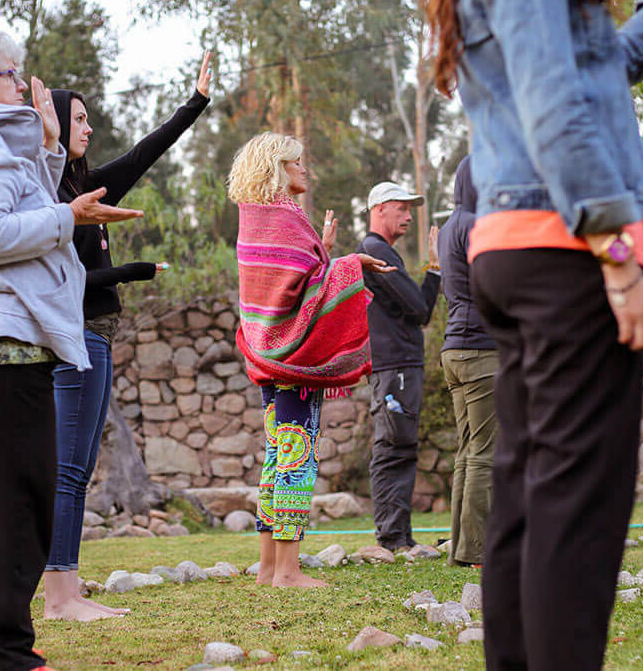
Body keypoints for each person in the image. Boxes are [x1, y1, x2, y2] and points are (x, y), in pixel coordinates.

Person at [422, 0, 643, 668]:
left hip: (520, 249)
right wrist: (619, 264)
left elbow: (586, 69)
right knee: (574, 515)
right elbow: (555, 104)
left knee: (530, 501)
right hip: (568, 254)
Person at [0, 23, 139, 670]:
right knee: (20, 494)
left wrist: (47, 154)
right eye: (11, 74)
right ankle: (5, 649)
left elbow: (15, 206)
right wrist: (70, 217)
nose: (22, 83)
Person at [41, 52, 212, 622]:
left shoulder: (91, 185)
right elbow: (61, 281)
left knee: (82, 466)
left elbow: (147, 150)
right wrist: (130, 273)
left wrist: (196, 102)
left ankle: (69, 583)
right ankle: (59, 595)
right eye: (81, 119)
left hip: (100, 337)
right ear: (56, 124)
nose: (90, 128)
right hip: (74, 336)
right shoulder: (51, 201)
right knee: (67, 467)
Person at [228, 132, 393, 588]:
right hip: (296, 358)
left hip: (264, 353)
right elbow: (305, 289)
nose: (304, 169)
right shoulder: (283, 216)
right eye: (297, 162)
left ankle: (267, 568)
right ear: (278, 167)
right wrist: (351, 262)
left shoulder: (255, 217)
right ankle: (288, 571)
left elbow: (286, 283)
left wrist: (323, 248)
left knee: (277, 456)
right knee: (297, 457)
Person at [356, 182, 440, 553]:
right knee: (392, 446)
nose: (408, 216)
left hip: (399, 365)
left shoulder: (383, 251)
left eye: (410, 209)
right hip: (395, 366)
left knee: (401, 446)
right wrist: (434, 269)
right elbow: (421, 309)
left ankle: (400, 537)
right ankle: (391, 538)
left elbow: (415, 307)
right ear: (380, 209)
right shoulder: (375, 251)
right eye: (401, 208)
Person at [438, 156, 499, 567]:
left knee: (467, 448)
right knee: (486, 451)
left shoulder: (445, 229)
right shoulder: (478, 227)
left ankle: (462, 547)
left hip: (453, 349)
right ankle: (477, 550)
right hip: (481, 348)